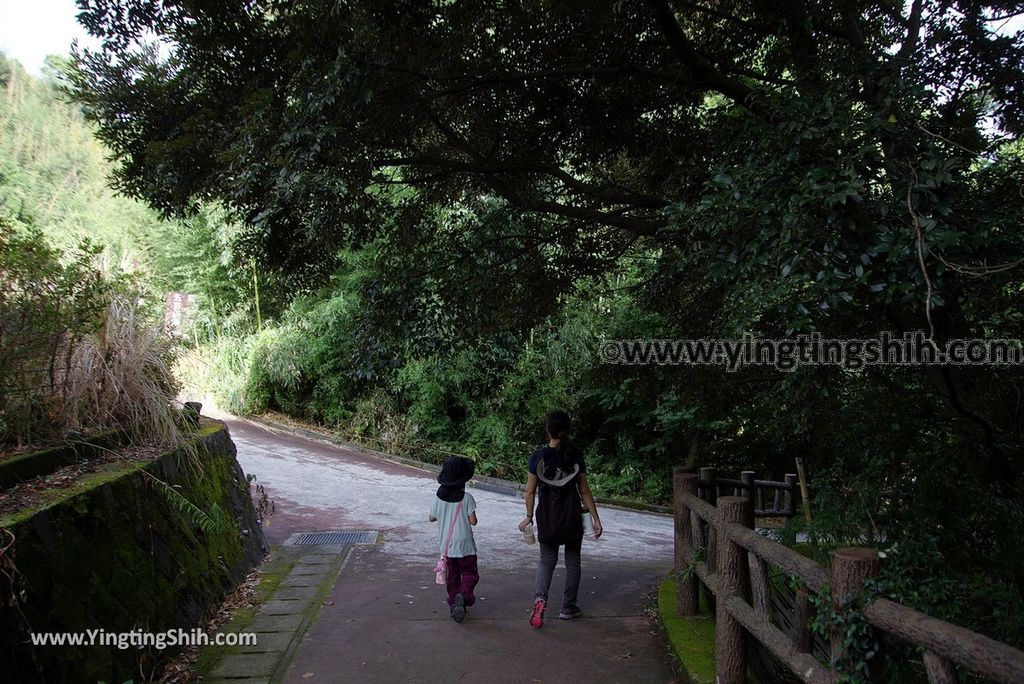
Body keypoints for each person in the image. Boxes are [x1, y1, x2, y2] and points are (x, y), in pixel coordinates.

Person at [518, 410, 603, 628]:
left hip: (547, 516)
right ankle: (568, 607)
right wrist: (596, 518)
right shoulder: (575, 455)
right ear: (568, 430)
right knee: (573, 560)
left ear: (548, 430)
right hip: (571, 516)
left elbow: (529, 492)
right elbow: (584, 491)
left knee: (547, 560)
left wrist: (528, 517)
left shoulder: (538, 457)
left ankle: (539, 600)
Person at [429, 456, 479, 623]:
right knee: (470, 574)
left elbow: (431, 518)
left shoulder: (438, 498)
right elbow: (473, 521)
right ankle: (464, 596)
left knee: (453, 576)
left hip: (447, 547)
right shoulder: (467, 498)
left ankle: (454, 602)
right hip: (466, 546)